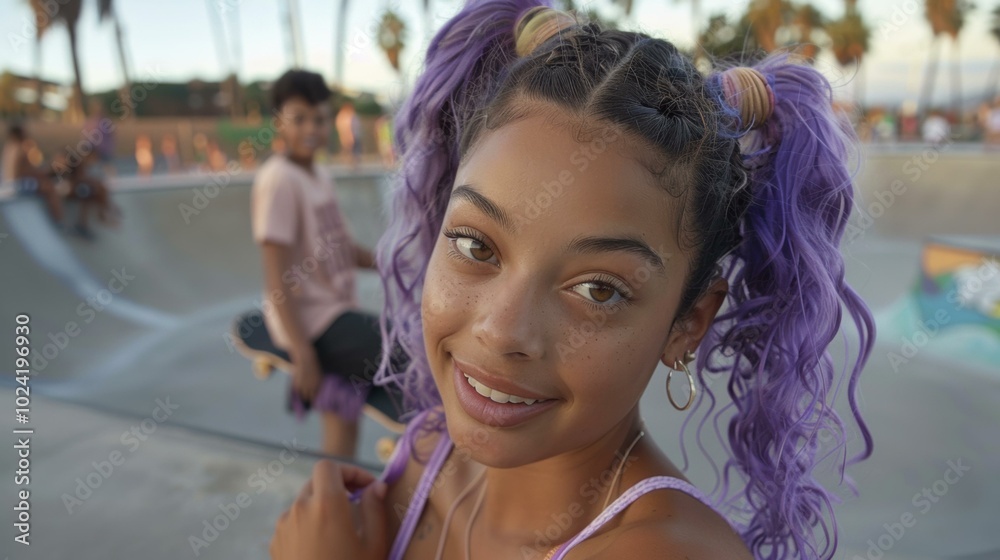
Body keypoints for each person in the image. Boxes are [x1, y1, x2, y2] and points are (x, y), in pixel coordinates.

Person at [269, 2, 875, 559]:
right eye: (475, 245)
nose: (503, 330)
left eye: (598, 289)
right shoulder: (427, 452)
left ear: (689, 323)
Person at [251, 69, 384, 458]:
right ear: (279, 122)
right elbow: (274, 274)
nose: (311, 128)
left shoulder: (319, 174)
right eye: (299, 119)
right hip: (311, 325)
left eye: (320, 118)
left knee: (342, 433)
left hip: (337, 310)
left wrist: (391, 262)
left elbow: (341, 246)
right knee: (405, 344)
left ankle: (333, 506)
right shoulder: (279, 180)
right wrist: (303, 353)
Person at [2, 123, 66, 226]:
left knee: (45, 183)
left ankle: (56, 218)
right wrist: (46, 173)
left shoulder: (10, 147)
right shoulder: (19, 150)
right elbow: (24, 172)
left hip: (10, 184)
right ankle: (58, 220)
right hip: (16, 185)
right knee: (49, 188)